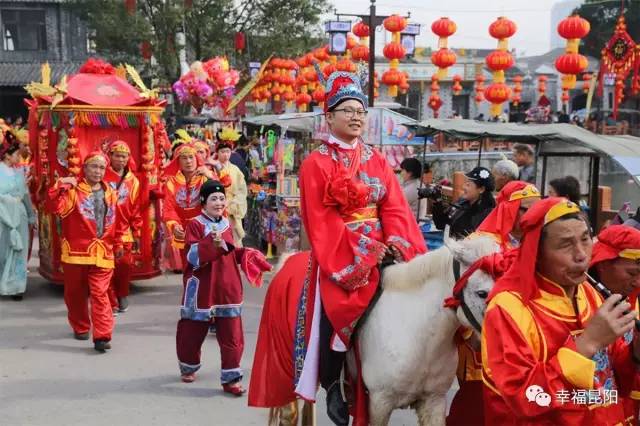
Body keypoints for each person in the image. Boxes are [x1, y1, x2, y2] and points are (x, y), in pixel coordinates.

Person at [292, 72, 426, 425]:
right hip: (343, 252)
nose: (356, 117)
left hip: (384, 245)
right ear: (329, 116)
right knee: (336, 306)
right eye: (347, 110)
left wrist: (397, 241)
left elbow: (394, 206)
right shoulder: (315, 163)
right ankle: (333, 380)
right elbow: (321, 220)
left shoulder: (378, 160)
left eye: (361, 111)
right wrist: (363, 251)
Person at [482, 197, 640, 424]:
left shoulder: (589, 293)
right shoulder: (508, 308)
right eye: (566, 244)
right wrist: (586, 345)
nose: (581, 255)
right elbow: (525, 399)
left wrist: (635, 351)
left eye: (585, 240)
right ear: (537, 252)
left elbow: (611, 381)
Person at [446, 181, 540, 426]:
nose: (534, 216)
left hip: (525, 332)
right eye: (525, 209)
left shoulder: (536, 242)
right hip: (484, 332)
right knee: (479, 401)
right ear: (510, 209)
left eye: (537, 209)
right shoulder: (481, 244)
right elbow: (460, 293)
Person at [176, 180, 271, 395]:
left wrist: (245, 254)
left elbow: (229, 252)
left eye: (221, 198)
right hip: (203, 287)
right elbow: (192, 257)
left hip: (227, 286)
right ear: (203, 202)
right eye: (214, 199)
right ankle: (188, 365)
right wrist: (211, 243)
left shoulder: (227, 224)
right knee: (192, 330)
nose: (219, 203)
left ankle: (231, 378)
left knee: (232, 335)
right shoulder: (195, 225)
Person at [46, 152, 120, 352]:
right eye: (94, 167)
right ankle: (80, 325)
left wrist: (119, 242)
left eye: (102, 168)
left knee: (100, 292)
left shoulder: (111, 193)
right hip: (76, 252)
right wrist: (60, 186)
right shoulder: (72, 191)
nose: (98, 171)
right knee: (75, 292)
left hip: (104, 250)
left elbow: (116, 221)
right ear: (85, 169)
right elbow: (54, 208)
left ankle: (102, 335)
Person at [589, 225, 640, 425]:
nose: (637, 282)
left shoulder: (627, 298)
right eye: (632, 273)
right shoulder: (582, 305)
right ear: (602, 264)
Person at [104, 140, 141, 313]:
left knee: (124, 265)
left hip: (125, 230)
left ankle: (122, 293)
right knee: (106, 267)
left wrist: (136, 230)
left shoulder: (132, 180)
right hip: (105, 230)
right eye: (117, 156)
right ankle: (110, 301)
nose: (121, 159)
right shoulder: (101, 176)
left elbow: (135, 207)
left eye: (124, 156)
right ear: (110, 157)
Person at [0, 140, 36, 300]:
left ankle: (17, 287)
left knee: (19, 250)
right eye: (15, 155)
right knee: (4, 250)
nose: (18, 158)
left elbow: (26, 195)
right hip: (3, 216)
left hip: (19, 215)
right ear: (7, 156)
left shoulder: (19, 172)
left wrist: (30, 215)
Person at [162, 143, 210, 260]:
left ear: (196, 159)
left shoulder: (205, 178)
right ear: (178, 161)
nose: (188, 161)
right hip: (182, 229)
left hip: (204, 228)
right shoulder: (171, 182)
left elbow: (223, 190)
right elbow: (169, 208)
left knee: (206, 266)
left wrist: (210, 174)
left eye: (191, 157)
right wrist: (175, 225)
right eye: (184, 158)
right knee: (188, 266)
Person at [432, 166, 496, 239]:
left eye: (468, 185)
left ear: (481, 189)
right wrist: (437, 202)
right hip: (452, 245)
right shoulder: (462, 202)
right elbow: (441, 224)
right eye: (466, 183)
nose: (463, 187)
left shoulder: (487, 212)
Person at [476, 181, 541, 250]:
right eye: (528, 210)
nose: (535, 216)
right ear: (508, 211)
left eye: (538, 211)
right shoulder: (485, 245)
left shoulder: (541, 243)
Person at [213, 128, 248, 247]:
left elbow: (242, 191)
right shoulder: (211, 168)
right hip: (214, 209)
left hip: (231, 209)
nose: (226, 155)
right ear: (217, 152)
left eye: (228, 151)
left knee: (233, 242)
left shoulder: (235, 170)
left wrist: (232, 205)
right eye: (222, 151)